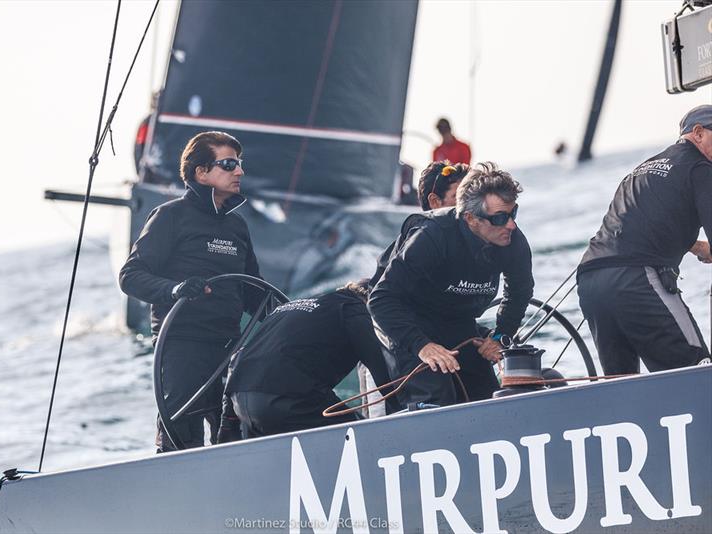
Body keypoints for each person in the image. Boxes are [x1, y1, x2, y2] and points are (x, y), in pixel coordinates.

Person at [119, 131, 262, 452]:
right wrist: (175, 289)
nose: (239, 171)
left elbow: (254, 292)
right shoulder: (169, 217)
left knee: (239, 438)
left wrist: (296, 315)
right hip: (182, 347)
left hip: (229, 347)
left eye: (239, 164)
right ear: (201, 172)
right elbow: (130, 276)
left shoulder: (237, 227)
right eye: (228, 164)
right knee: (182, 441)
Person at [369, 162, 534, 407]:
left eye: (513, 213)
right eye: (499, 217)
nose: (510, 224)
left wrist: (501, 335)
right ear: (470, 218)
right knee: (437, 394)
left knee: (489, 396)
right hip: (407, 322)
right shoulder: (432, 236)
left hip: (458, 322)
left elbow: (520, 292)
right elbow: (381, 299)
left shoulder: (512, 239)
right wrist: (422, 346)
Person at [577, 105, 712, 374]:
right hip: (637, 280)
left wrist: (697, 247)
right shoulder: (702, 168)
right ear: (698, 133)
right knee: (698, 374)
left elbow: (644, 222)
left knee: (622, 385)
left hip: (590, 282)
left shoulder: (644, 168)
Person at [218, 280, 400, 440]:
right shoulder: (354, 309)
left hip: (241, 402)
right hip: (286, 401)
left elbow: (240, 356)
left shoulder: (291, 308)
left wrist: (228, 423)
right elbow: (383, 372)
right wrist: (404, 413)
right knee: (362, 436)